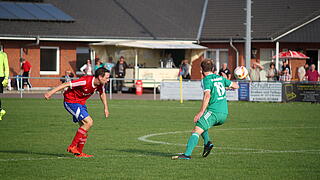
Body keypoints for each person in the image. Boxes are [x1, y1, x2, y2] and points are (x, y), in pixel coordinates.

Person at [172, 59, 239, 160]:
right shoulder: (220, 78)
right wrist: (228, 82)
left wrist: (201, 112)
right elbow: (236, 86)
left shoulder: (206, 80)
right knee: (201, 122)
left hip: (214, 112)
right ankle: (207, 143)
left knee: (196, 130)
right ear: (213, 69)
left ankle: (187, 154)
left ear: (201, 70)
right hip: (224, 113)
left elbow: (207, 95)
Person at [44, 67, 110, 157]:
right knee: (89, 122)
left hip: (80, 104)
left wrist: (105, 108)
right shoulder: (85, 81)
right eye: (106, 78)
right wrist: (50, 92)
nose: (108, 80)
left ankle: (78, 152)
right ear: (100, 77)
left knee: (85, 129)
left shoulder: (100, 85)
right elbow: (66, 84)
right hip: (70, 102)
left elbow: (102, 94)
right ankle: (72, 146)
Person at [0, 51, 9, 120]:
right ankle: (0, 111)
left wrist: (6, 78)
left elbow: (6, 67)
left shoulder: (3, 55)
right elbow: (6, 67)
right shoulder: (3, 54)